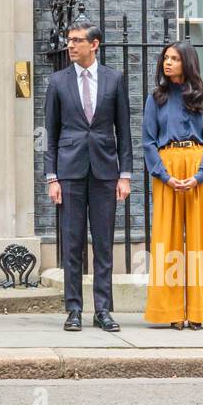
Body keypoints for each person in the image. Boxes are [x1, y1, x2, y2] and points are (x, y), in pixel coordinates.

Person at [43, 19, 133, 333]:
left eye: (78, 40)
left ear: (94, 44)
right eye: (69, 40)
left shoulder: (114, 79)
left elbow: (124, 131)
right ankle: (73, 310)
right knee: (71, 242)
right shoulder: (57, 81)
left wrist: (125, 175)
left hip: (106, 171)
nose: (71, 45)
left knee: (104, 243)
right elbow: (50, 134)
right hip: (69, 171)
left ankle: (104, 310)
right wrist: (51, 177)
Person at [142, 41, 203, 330]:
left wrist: (201, 175)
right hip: (167, 168)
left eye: (175, 59)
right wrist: (164, 175)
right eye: (166, 58)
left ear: (186, 63)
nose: (168, 63)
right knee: (167, 239)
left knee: (201, 239)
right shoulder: (156, 98)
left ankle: (200, 309)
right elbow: (148, 141)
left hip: (196, 167)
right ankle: (171, 310)